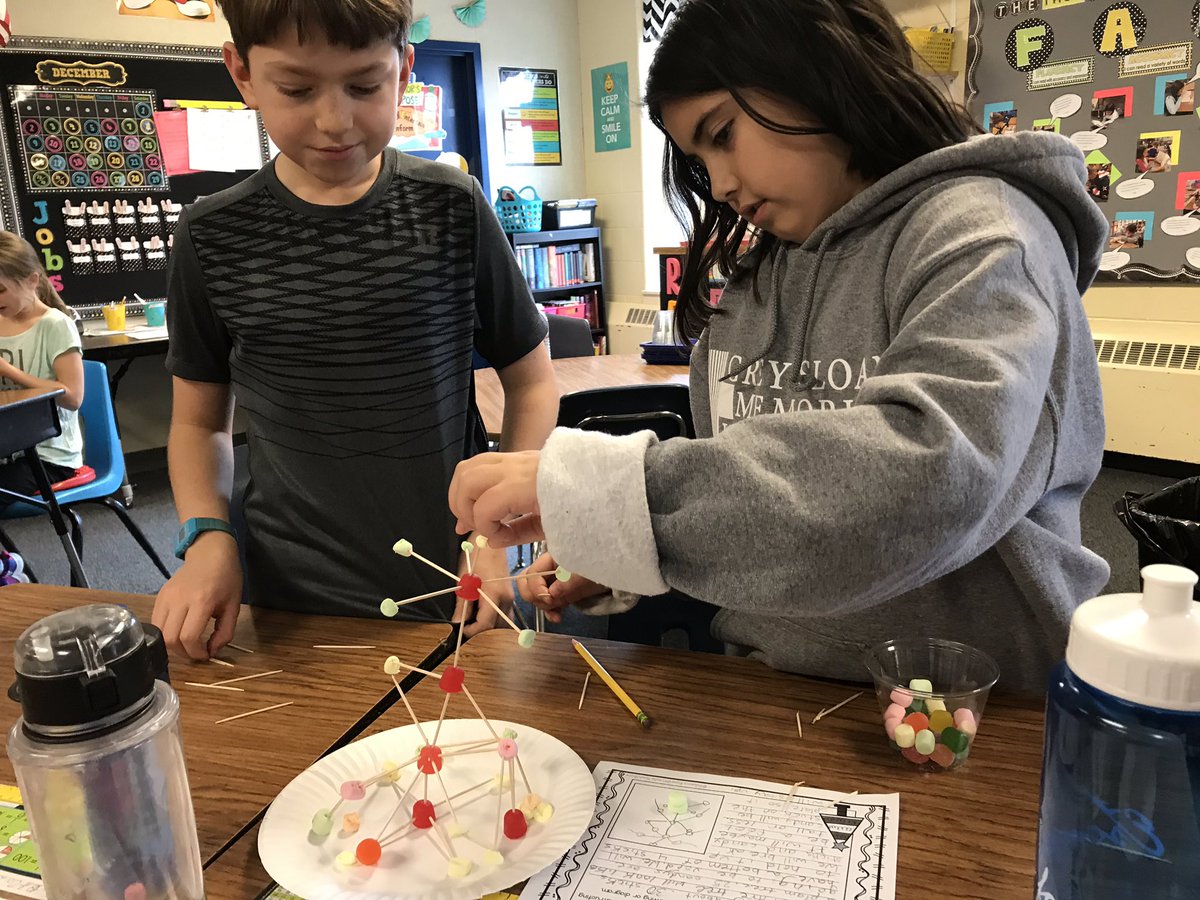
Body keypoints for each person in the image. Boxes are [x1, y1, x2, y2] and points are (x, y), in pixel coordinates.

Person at [450, 0, 1112, 692]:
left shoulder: (983, 236)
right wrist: (631, 547)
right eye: (698, 160)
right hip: (770, 692)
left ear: (815, 75)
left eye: (723, 134)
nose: (722, 185)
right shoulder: (757, 276)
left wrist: (613, 495)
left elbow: (931, 478)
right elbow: (764, 508)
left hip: (974, 708)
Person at [154, 0, 558, 661]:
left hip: (461, 577)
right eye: (297, 88)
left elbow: (533, 381)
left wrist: (496, 537)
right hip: (294, 592)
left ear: (404, 69)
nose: (335, 120)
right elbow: (198, 423)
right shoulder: (210, 236)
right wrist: (208, 537)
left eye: (365, 86)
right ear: (242, 73)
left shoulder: (453, 206)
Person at [0, 232, 85, 500]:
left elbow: (73, 397)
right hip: (8, 447)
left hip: (50, 457)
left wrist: (9, 371)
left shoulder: (56, 325)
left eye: (1, 290)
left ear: (32, 280)